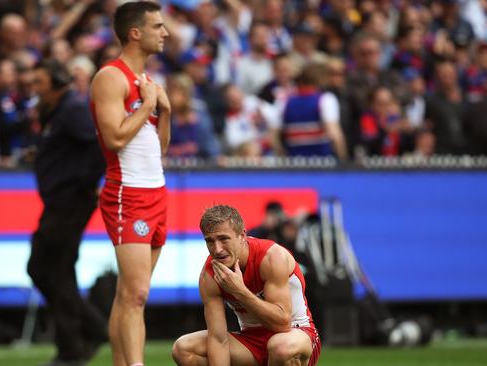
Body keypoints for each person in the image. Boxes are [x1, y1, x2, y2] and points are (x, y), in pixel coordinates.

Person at [89, 2, 170, 365]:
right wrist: (146, 105)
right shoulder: (111, 77)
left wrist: (162, 110)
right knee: (136, 294)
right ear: (135, 32)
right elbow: (114, 140)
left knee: (131, 294)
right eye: (157, 26)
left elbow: (159, 148)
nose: (165, 33)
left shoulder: (148, 83)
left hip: (156, 191)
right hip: (129, 193)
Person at [27, 59, 107, 366]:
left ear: (57, 83)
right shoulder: (57, 112)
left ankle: (78, 342)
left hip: (70, 201)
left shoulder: (71, 109)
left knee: (45, 268)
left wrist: (84, 183)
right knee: (57, 272)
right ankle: (83, 336)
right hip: (60, 202)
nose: (34, 89)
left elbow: (99, 145)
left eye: (39, 83)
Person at [172, 205, 321, 366]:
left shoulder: (272, 257)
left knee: (280, 347)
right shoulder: (209, 275)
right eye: (210, 241)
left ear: (242, 235)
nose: (217, 249)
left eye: (223, 239)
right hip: (252, 342)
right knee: (183, 349)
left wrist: (240, 291)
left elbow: (282, 323)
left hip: (295, 334)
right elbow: (218, 339)